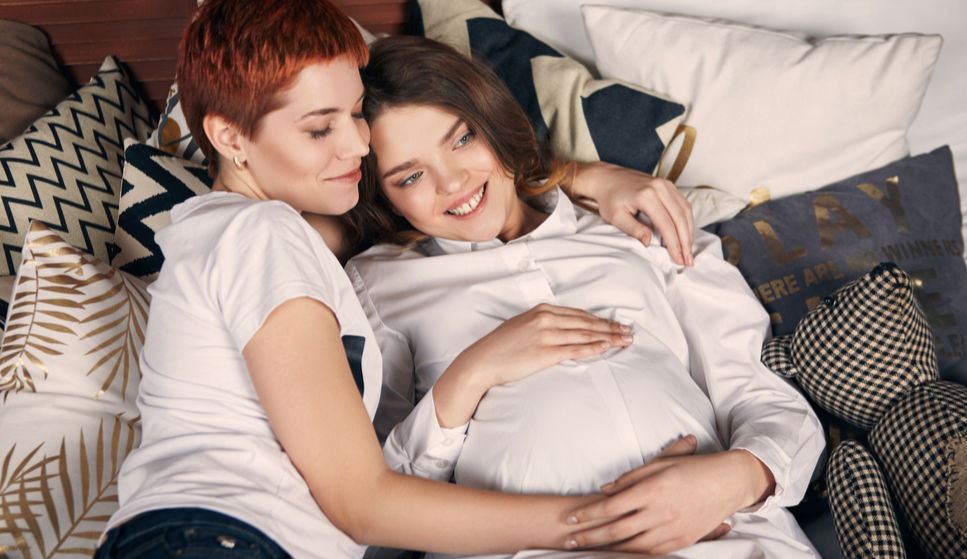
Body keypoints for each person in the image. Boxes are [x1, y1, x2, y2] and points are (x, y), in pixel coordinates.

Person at [93, 1, 700, 558]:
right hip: (217, 540)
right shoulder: (259, 236)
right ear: (230, 137)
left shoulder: (266, 233)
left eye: (356, 114)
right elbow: (363, 504)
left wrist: (580, 178)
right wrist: (613, 519)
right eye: (318, 128)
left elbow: (435, 195)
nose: (359, 144)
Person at [344, 35, 826, 559]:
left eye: (461, 139)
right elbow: (378, 501)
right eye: (410, 176)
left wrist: (733, 480)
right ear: (382, 194)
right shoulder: (378, 283)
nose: (453, 180)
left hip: (729, 538)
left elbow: (769, 403)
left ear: (492, 119)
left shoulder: (639, 228)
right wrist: (472, 373)